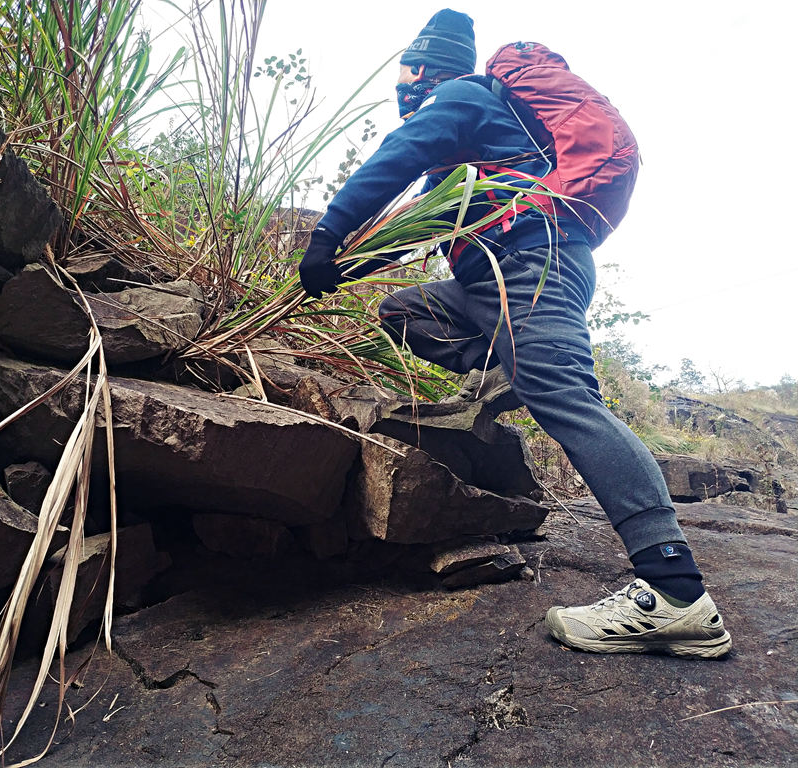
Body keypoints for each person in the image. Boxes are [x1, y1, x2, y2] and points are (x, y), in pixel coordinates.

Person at [299, 9, 731, 658]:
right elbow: (420, 220)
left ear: (424, 68)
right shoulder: (480, 130)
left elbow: (400, 154)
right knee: (404, 313)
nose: (401, 86)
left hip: (533, 260)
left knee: (567, 399)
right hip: (490, 283)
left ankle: (676, 592)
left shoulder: (460, 95)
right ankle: (511, 364)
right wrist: (345, 263)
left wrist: (329, 230)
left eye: (405, 73)